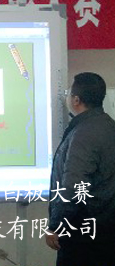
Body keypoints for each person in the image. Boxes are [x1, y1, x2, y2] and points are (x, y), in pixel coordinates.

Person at [46, 72, 115, 266]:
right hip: (105, 231)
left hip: (83, 236)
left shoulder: (84, 133)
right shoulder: (109, 126)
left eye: (69, 94)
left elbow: (73, 186)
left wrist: (56, 225)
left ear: (76, 100)